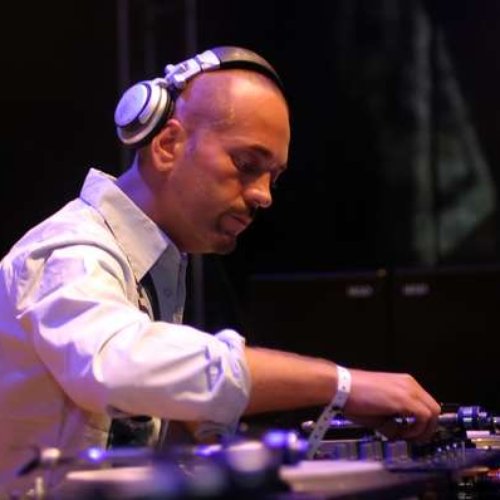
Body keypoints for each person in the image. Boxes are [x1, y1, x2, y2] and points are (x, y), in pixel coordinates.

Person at [0, 46, 440, 495]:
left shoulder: (153, 264)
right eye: (247, 165)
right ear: (167, 145)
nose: (264, 195)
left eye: (273, 177)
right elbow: (118, 366)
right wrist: (339, 384)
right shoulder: (71, 250)